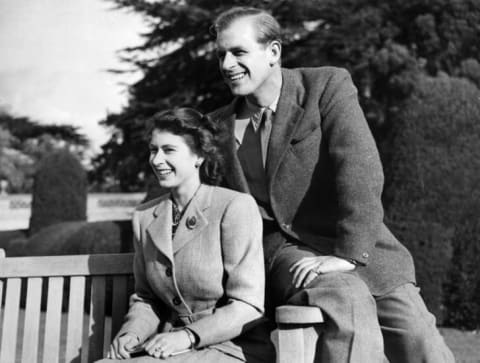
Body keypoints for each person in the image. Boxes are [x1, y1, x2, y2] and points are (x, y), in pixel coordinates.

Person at [208, 6, 455, 363]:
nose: (227, 64)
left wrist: (347, 254)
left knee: (421, 342)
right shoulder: (216, 127)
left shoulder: (325, 86)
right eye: (221, 55)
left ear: (273, 52)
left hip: (361, 250)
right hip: (286, 258)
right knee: (345, 298)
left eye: (238, 52)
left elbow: (358, 168)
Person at [97, 108, 274, 363]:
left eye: (168, 150)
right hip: (166, 348)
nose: (156, 160)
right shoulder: (144, 217)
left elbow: (247, 306)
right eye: (153, 150)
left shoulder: (234, 207)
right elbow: (148, 299)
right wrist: (131, 335)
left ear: (199, 156)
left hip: (232, 348)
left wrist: (188, 336)